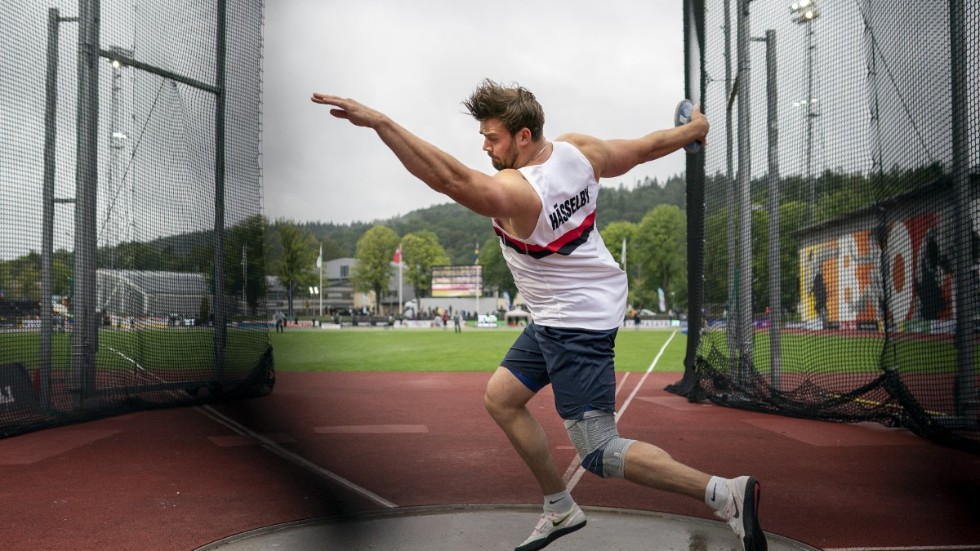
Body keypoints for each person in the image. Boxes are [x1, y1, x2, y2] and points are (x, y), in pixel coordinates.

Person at [311, 79, 766, 551]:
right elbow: (647, 148)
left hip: (575, 322)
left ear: (523, 136)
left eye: (493, 137)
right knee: (502, 397)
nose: (485, 146)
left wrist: (382, 123)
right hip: (568, 308)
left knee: (598, 449)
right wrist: (694, 129)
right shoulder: (579, 151)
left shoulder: (519, 193)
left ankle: (724, 493)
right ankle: (559, 507)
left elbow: (449, 179)